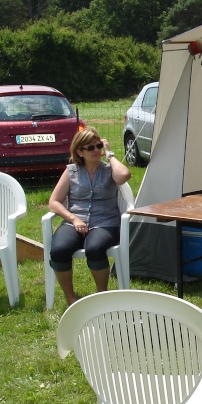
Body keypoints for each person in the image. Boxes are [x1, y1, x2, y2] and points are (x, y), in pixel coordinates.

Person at [48, 127, 131, 305]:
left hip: (105, 223)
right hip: (75, 221)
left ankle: (102, 295)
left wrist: (110, 153)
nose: (96, 150)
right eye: (90, 147)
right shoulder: (71, 172)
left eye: (98, 145)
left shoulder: (110, 169)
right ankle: (71, 299)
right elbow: (53, 202)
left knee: (95, 248)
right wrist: (73, 218)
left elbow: (124, 175)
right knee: (59, 250)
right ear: (79, 151)